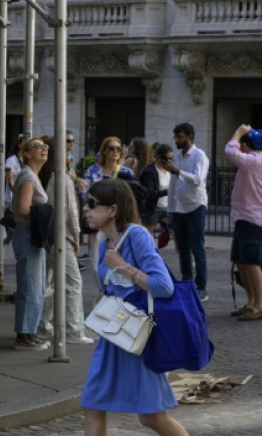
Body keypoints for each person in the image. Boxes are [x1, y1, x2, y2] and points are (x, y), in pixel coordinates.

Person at [80, 178, 187, 436]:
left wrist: (123, 267)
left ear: (113, 210)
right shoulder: (106, 242)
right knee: (93, 405)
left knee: (151, 417)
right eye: (86, 204)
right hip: (113, 334)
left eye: (92, 204)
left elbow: (164, 286)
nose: (86, 209)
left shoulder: (137, 236)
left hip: (137, 337)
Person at [35, 136, 91, 344]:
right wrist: (76, 236)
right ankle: (74, 329)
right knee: (73, 282)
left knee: (49, 282)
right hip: (61, 235)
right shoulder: (62, 178)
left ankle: (43, 325)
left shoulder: (43, 175)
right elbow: (71, 211)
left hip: (46, 235)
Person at [225, 125, 262, 321]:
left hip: (253, 219)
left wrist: (237, 132)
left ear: (248, 145)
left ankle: (258, 305)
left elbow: (229, 151)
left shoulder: (255, 160)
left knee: (252, 263)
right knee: (241, 261)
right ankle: (251, 302)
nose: (240, 145)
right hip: (244, 217)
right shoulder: (253, 161)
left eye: (244, 142)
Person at [11, 137, 51, 350]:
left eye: (45, 147)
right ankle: (25, 334)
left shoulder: (31, 175)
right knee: (31, 285)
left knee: (36, 284)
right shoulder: (27, 176)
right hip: (28, 233)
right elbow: (23, 208)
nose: (44, 150)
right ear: (26, 153)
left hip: (32, 235)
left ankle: (28, 331)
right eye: (38, 147)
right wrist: (45, 212)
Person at [162, 123, 210, 301]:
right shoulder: (177, 156)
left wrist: (176, 170)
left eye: (179, 137)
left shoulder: (199, 156)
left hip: (196, 206)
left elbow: (197, 180)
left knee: (197, 248)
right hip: (179, 208)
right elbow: (173, 184)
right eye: (175, 137)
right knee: (182, 249)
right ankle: (187, 282)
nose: (176, 140)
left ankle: (201, 287)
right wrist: (170, 210)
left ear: (190, 136)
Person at [83, 137, 134, 281]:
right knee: (96, 265)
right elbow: (85, 194)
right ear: (104, 151)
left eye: (118, 149)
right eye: (111, 148)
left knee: (120, 262)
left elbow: (131, 198)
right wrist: (81, 185)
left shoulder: (126, 172)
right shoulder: (92, 171)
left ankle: (113, 295)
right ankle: (102, 294)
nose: (115, 151)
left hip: (118, 223)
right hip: (98, 221)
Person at [139, 143, 171, 234]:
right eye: (165, 158)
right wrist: (166, 192)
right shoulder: (150, 171)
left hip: (167, 207)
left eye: (170, 158)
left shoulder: (169, 169)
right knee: (148, 235)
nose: (168, 161)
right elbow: (149, 193)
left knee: (174, 232)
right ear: (158, 156)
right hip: (153, 208)